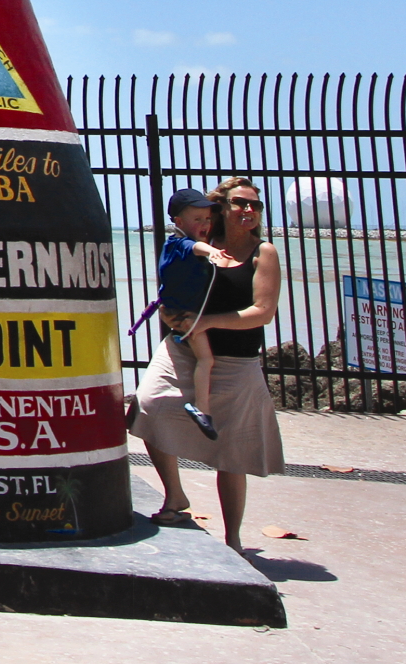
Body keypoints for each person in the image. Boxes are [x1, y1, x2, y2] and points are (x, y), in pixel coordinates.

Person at [130, 177, 284, 557]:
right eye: (239, 203)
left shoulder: (263, 252)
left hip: (237, 360)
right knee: (149, 405)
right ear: (221, 208)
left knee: (232, 453)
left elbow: (262, 312)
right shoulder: (202, 239)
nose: (248, 210)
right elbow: (174, 276)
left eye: (255, 205)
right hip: (183, 349)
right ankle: (176, 497)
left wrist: (208, 322)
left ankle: (233, 540)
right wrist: (169, 311)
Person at [158, 189, 228, 440]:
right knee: (205, 360)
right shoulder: (181, 243)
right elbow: (195, 247)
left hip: (179, 310)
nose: (205, 224)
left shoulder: (171, 244)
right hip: (187, 314)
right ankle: (202, 408)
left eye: (207, 219)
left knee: (201, 358)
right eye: (197, 219)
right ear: (178, 221)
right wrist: (212, 252)